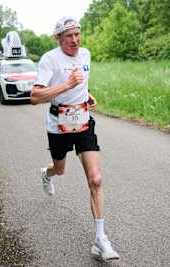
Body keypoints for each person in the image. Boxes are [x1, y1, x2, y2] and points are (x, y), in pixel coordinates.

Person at [30, 17, 120, 261]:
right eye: (68, 36)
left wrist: (86, 95)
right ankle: (46, 174)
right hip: (58, 125)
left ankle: (100, 240)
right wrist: (67, 84)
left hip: (82, 122)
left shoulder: (86, 54)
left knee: (96, 179)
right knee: (59, 170)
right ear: (58, 38)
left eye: (77, 34)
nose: (75, 40)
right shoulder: (49, 59)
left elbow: (81, 83)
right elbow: (35, 96)